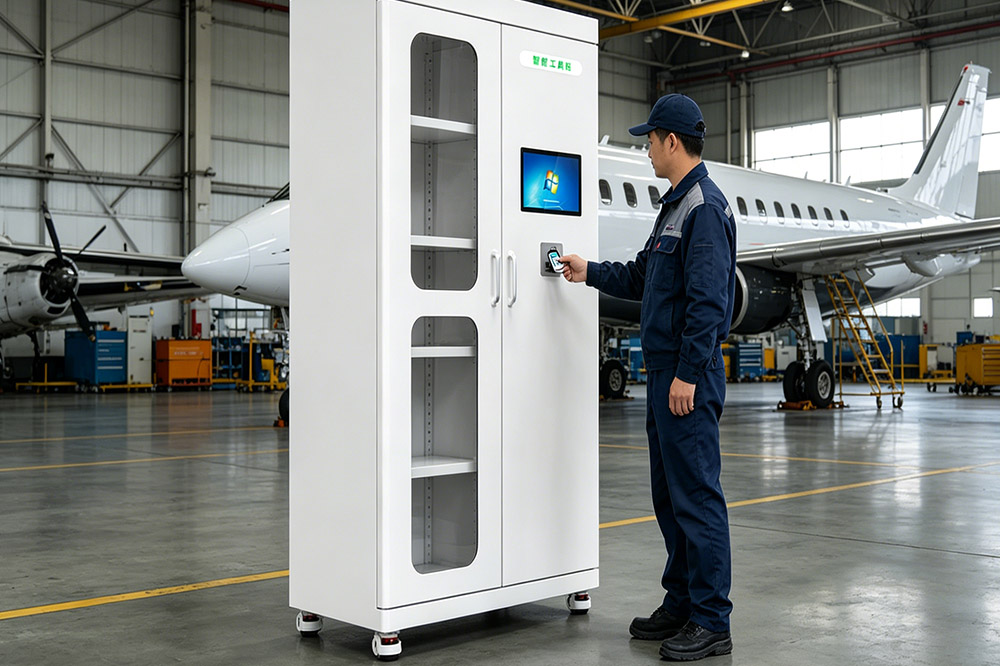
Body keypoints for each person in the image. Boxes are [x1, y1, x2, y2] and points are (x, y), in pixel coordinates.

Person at [558, 94, 736, 662]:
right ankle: (682, 602)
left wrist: (687, 374)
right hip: (663, 374)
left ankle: (712, 620)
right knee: (670, 497)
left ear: (672, 141)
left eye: (651, 141)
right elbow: (642, 276)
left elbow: (710, 303)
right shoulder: (675, 207)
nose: (647, 151)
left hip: (686, 378)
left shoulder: (704, 208)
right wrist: (590, 272)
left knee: (697, 497)